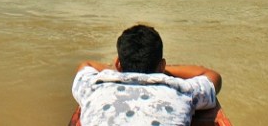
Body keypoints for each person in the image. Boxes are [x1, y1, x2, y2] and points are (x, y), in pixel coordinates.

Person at [72, 24, 222, 126]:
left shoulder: (93, 87)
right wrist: (163, 71)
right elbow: (211, 76)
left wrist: (117, 68)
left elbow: (87, 65)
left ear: (118, 63)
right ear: (161, 65)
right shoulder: (181, 90)